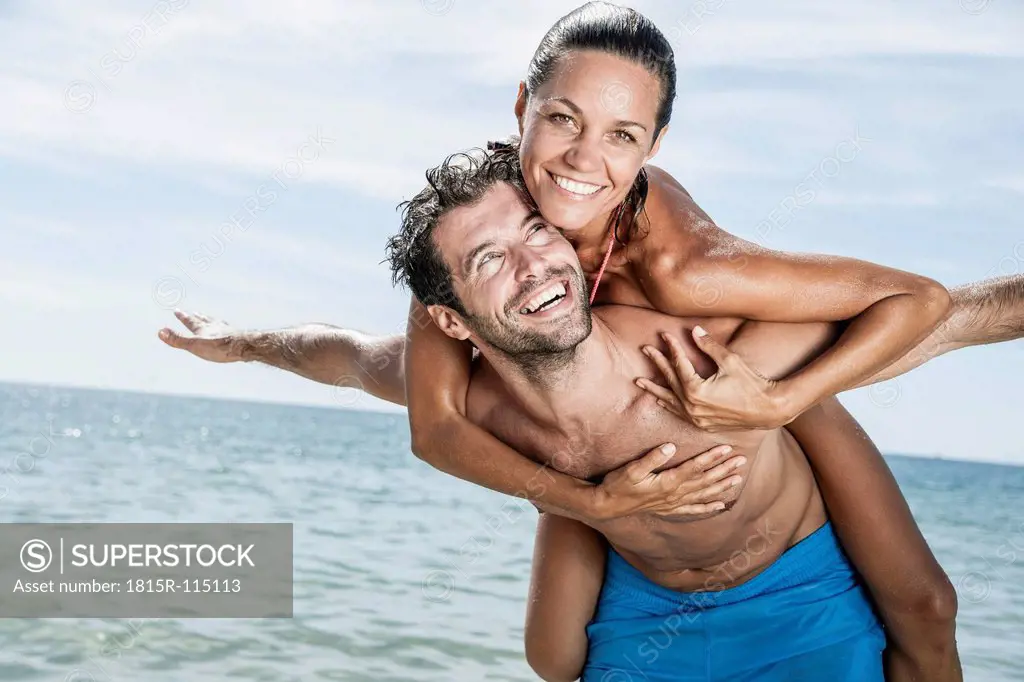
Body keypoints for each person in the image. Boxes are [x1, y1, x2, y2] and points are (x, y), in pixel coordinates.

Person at [154, 3, 1024, 678]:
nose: (579, 163)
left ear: (652, 145)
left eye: (621, 136)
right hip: (570, 397)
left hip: (730, 361)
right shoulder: (476, 224)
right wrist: (245, 342)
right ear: (523, 106)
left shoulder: (679, 267)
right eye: (564, 120)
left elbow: (913, 303)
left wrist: (780, 402)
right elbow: (394, 390)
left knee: (862, 380)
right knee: (547, 603)